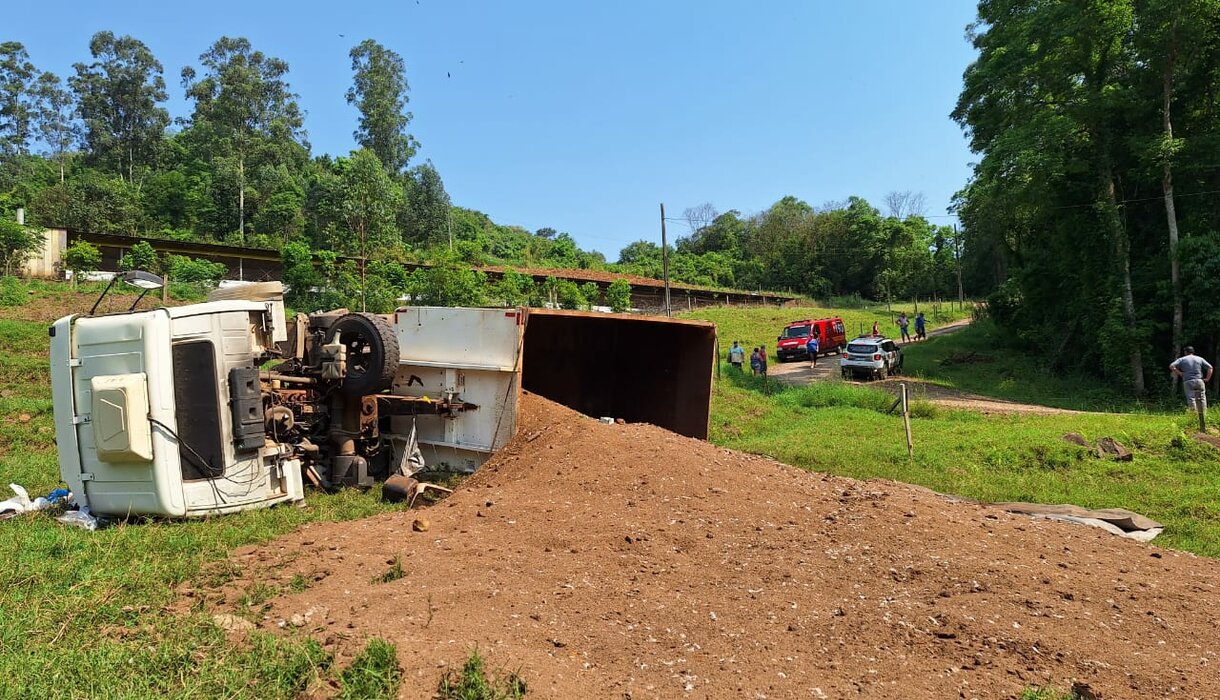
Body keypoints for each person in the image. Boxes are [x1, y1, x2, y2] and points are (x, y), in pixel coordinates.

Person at [1170, 346, 1213, 413]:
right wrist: (1207, 378)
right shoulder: (1199, 359)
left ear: (1185, 352)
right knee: (1202, 398)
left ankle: (1194, 415)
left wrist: (1180, 373)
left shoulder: (1182, 359)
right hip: (1199, 380)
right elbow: (1210, 367)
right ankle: (1204, 414)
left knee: (1191, 398)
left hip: (1188, 381)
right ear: (1193, 352)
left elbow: (1172, 366)